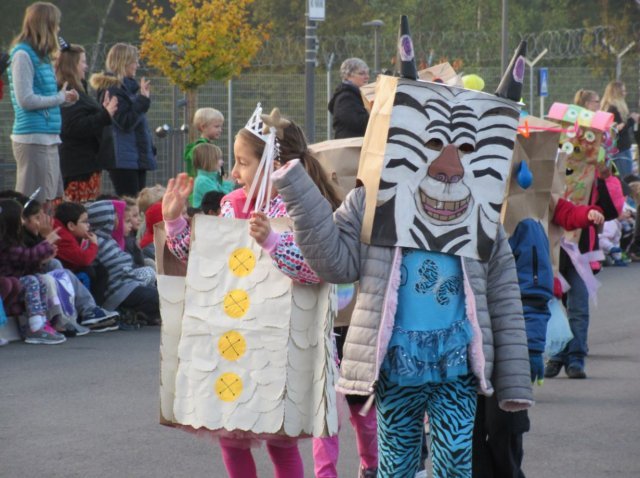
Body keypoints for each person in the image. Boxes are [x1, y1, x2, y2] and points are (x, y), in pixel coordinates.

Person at [162, 106, 341, 478]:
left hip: (277, 341)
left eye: (243, 163)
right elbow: (203, 263)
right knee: (232, 436)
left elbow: (314, 270)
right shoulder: (231, 205)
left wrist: (273, 241)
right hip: (234, 336)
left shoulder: (299, 208)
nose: (234, 172)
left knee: (280, 437)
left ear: (271, 165)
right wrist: (175, 221)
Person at [8, 2, 79, 206]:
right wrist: (59, 98)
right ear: (45, 25)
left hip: (48, 137)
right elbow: (26, 100)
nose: (58, 29)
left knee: (51, 202)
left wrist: (64, 99)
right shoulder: (22, 55)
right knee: (32, 204)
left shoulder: (42, 57)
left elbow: (46, 97)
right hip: (32, 138)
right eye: (55, 24)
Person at [89, 43, 155, 197]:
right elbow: (125, 122)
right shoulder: (113, 90)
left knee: (137, 203)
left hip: (133, 157)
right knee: (130, 204)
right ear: (124, 62)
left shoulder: (128, 90)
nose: (137, 65)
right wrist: (143, 101)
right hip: (122, 158)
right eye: (134, 61)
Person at [56, 43, 118, 202]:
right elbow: (72, 127)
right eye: (83, 62)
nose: (86, 66)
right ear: (72, 65)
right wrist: (103, 115)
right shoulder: (69, 91)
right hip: (78, 168)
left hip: (86, 165)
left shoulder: (79, 90)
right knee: (80, 213)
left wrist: (102, 112)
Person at [0, 198, 64, 344]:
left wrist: (42, 260)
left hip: (16, 279)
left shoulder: (15, 240)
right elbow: (28, 255)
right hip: (8, 280)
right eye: (20, 218)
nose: (22, 222)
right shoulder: (5, 245)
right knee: (31, 281)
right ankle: (35, 327)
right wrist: (46, 242)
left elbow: (27, 263)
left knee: (38, 279)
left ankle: (41, 321)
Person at [86, 199, 160, 326]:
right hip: (120, 290)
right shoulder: (96, 241)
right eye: (113, 215)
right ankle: (127, 312)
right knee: (160, 300)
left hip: (128, 284)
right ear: (105, 219)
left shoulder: (108, 239)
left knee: (159, 295)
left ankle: (137, 313)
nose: (117, 219)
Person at [601, 81, 640, 178]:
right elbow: (618, 130)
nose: (625, 93)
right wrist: (631, 120)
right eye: (623, 91)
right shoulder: (613, 109)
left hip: (619, 148)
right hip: (621, 148)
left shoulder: (610, 108)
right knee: (626, 178)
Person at [328, 58, 370, 139]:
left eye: (368, 73)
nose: (367, 77)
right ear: (347, 76)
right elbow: (357, 123)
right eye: (361, 74)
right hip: (349, 148)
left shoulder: (356, 95)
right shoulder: (345, 98)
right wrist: (376, 113)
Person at [183, 107, 225, 178]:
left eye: (221, 127)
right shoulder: (201, 147)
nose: (220, 130)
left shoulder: (208, 145)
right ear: (203, 127)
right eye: (217, 126)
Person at [191, 142, 234, 208]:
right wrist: (228, 184)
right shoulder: (202, 181)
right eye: (219, 159)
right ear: (209, 160)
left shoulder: (211, 179)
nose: (222, 162)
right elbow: (220, 200)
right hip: (203, 217)